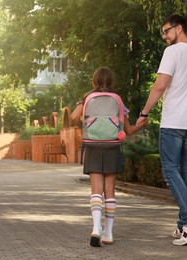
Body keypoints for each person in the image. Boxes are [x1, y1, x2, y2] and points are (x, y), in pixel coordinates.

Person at [137, 14, 187, 246]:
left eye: (166, 31)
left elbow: (160, 85)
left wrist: (144, 112)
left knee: (170, 170)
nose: (164, 37)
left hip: (173, 122)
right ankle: (183, 225)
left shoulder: (172, 52)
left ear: (179, 28)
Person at [71, 67, 147, 247]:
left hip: (93, 146)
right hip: (113, 146)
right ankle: (108, 233)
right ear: (112, 82)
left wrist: (87, 121)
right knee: (110, 190)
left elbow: (73, 117)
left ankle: (96, 228)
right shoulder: (118, 100)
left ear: (94, 82)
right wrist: (141, 125)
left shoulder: (87, 98)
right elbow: (128, 130)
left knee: (96, 190)